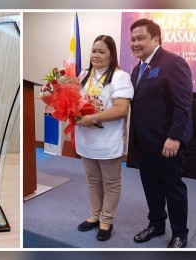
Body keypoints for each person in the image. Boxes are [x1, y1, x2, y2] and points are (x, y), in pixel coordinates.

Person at [127, 18, 195, 248]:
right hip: (146, 142)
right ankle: (156, 224)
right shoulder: (137, 69)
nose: (135, 43)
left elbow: (184, 104)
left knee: (173, 188)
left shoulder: (172, 62)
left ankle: (180, 233)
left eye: (140, 38)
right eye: (133, 39)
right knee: (150, 187)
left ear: (156, 39)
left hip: (168, 141)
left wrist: (175, 137)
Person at [75, 35, 134, 241]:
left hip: (107, 140)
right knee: (92, 180)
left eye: (101, 51)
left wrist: (93, 117)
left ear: (111, 54)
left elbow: (121, 109)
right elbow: (73, 102)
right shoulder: (83, 74)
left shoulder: (120, 76)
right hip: (86, 139)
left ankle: (106, 221)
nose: (96, 55)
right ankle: (94, 215)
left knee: (111, 182)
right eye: (93, 51)